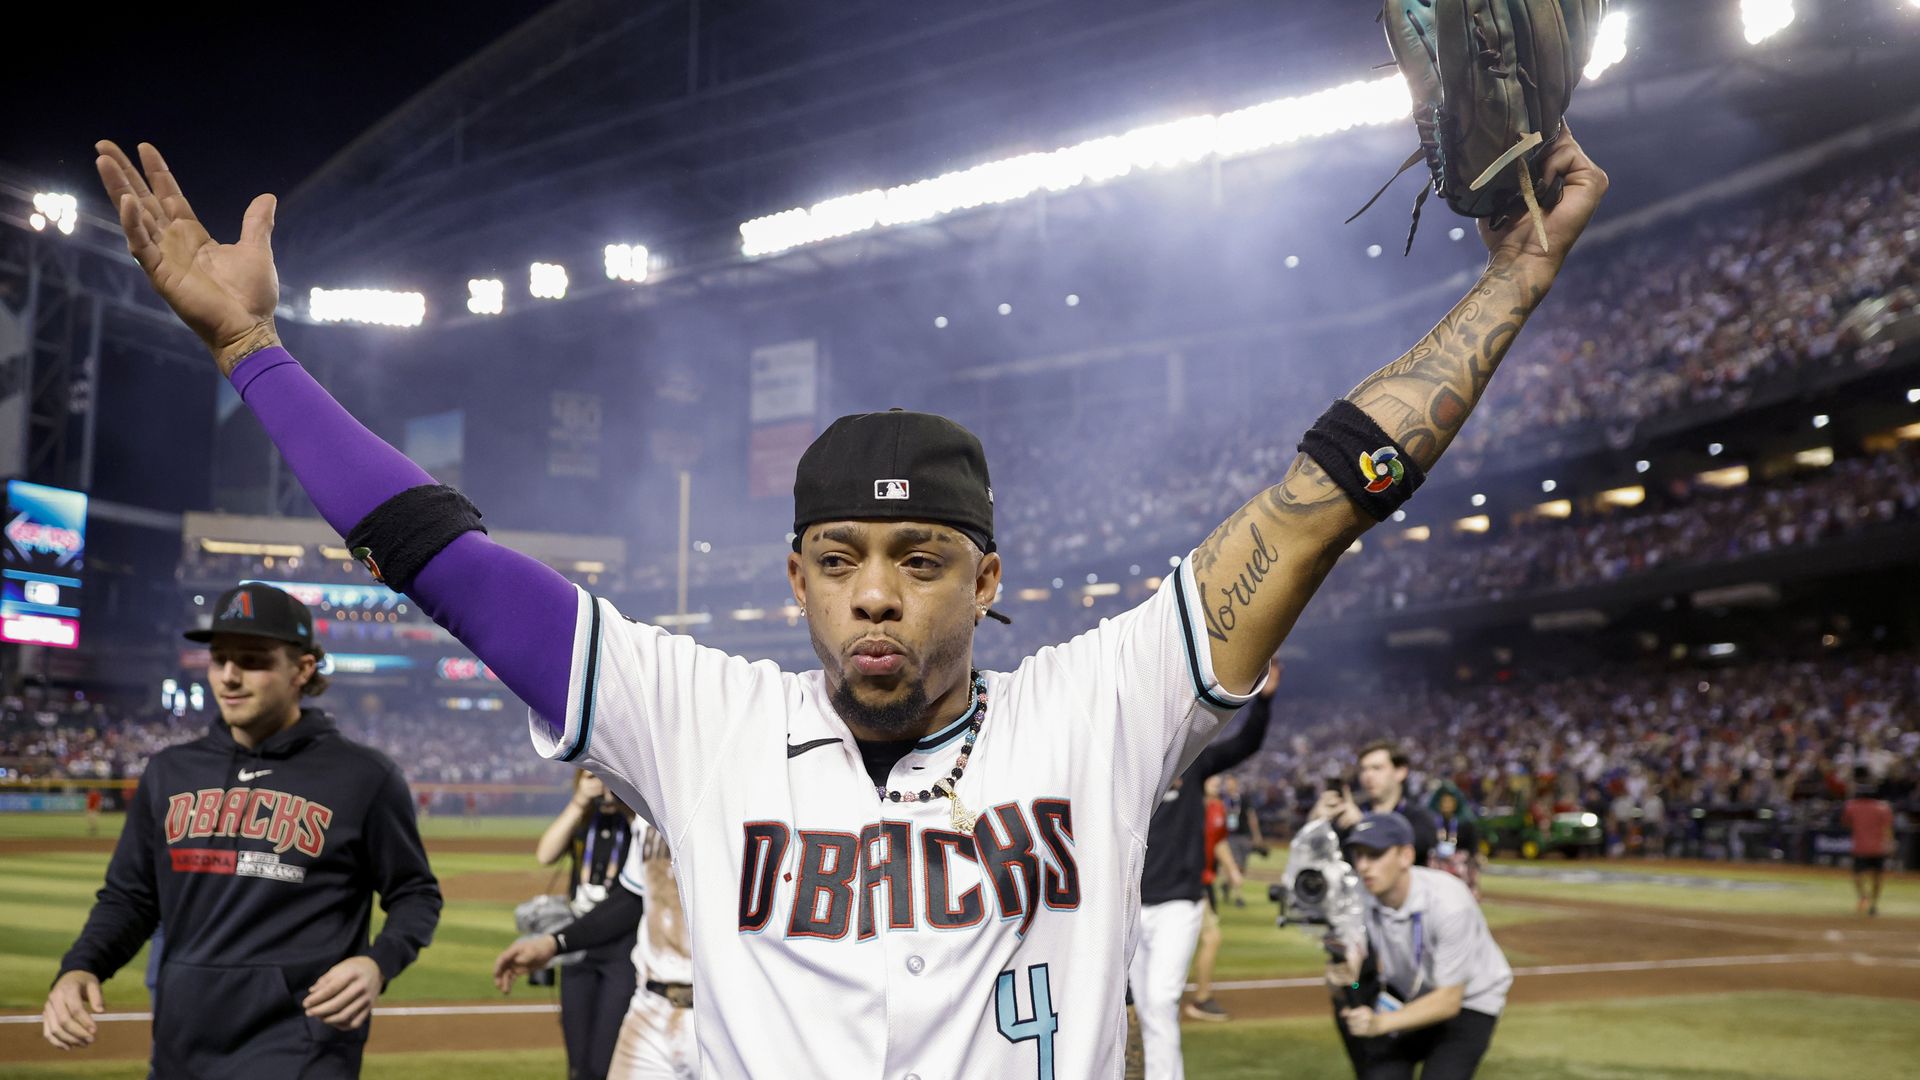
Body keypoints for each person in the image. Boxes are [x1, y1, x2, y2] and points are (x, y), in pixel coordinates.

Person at [92, 128, 1606, 1075]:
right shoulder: (699, 715)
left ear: (987, 578)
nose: (877, 598)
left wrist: (1509, 287)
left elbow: (1328, 489)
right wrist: (252, 354)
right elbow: (437, 550)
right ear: (799, 576)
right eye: (840, 561)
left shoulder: (1101, 701)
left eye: (922, 561)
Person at [41, 583, 442, 1078]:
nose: (229, 676)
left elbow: (416, 893)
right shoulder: (170, 771)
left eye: (252, 660)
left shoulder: (364, 776)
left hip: (302, 1043)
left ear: (302, 670)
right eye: (219, 658)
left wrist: (378, 963)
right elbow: (130, 897)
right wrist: (81, 966)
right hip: (182, 1044)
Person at [1133, 660, 1279, 1075]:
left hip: (1179, 902)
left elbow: (1246, 743)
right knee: (1142, 1007)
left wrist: (1264, 701)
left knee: (1160, 1000)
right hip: (1133, 906)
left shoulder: (1193, 762)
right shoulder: (1127, 766)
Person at [496, 814, 697, 1079]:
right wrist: (553, 943)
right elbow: (632, 898)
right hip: (651, 1007)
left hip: (716, 1011)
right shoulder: (650, 812)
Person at [1331, 812, 1512, 1080]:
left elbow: (1449, 1001)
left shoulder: (1449, 903)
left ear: (1405, 856)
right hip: (1411, 995)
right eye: (1358, 855)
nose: (1364, 866)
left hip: (1468, 1002)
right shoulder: (1362, 894)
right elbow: (1355, 953)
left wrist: (1379, 1023)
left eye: (1375, 854)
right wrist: (1347, 974)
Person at [535, 770, 639, 1080]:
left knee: (605, 1061)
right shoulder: (584, 821)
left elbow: (650, 853)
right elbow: (545, 854)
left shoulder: (634, 823)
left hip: (623, 949)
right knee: (578, 1065)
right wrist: (579, 802)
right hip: (578, 946)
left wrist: (627, 804)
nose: (603, 785)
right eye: (594, 775)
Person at [1317, 740, 1439, 866]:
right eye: (1363, 770)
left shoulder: (1419, 818)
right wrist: (1318, 822)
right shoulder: (1349, 817)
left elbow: (1400, 856)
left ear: (1400, 772)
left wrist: (1363, 825)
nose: (1368, 775)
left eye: (1377, 768)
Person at [1182, 775, 1238, 1024]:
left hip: (1201, 882)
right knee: (1210, 937)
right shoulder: (1183, 804)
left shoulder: (1217, 807)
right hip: (1181, 882)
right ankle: (1202, 999)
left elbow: (1219, 841)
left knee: (1208, 937)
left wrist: (1232, 870)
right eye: (1212, 775)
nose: (1217, 780)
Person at [1841, 775, 1895, 917]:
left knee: (1858, 875)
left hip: (1860, 847)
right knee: (1877, 877)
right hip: (1878, 847)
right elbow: (1887, 828)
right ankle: (1874, 904)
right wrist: (1890, 843)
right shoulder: (1883, 807)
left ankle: (1863, 897)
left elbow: (1846, 823)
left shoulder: (1852, 806)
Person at [1428, 785, 1482, 897]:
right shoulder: (1432, 822)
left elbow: (1472, 848)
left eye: (1450, 801)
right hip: (1438, 864)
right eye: (1444, 801)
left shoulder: (1465, 823)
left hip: (1459, 866)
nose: (1446, 805)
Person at [1221, 773, 1266, 904]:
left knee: (1242, 866)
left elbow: (1252, 817)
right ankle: (1238, 896)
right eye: (1227, 783)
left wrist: (1257, 835)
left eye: (1231, 782)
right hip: (1228, 835)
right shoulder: (1222, 799)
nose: (1229, 785)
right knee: (1235, 863)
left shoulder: (1244, 799)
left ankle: (1226, 883)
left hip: (1243, 835)